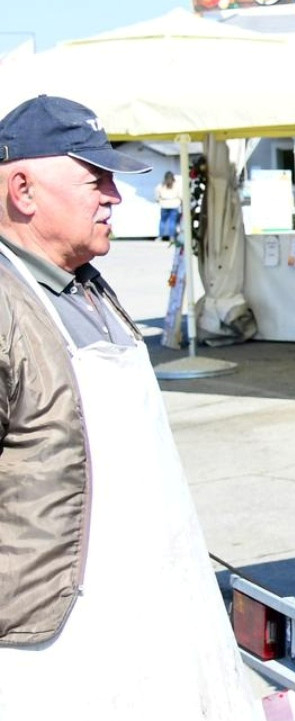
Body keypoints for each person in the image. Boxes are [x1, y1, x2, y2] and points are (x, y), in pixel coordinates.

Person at [0, 96, 260, 719]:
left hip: (159, 612)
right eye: (96, 179)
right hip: (60, 645)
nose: (115, 196)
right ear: (23, 189)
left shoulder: (88, 283)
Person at [155, 169, 181, 243]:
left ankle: (160, 236)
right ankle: (172, 237)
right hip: (174, 204)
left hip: (164, 204)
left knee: (162, 221)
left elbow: (157, 195)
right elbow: (180, 195)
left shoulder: (161, 185)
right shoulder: (176, 185)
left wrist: (158, 200)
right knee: (172, 222)